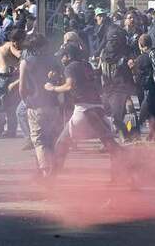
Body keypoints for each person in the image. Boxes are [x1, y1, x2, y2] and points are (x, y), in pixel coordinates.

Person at [47, 44, 128, 181]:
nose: (61, 59)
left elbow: (69, 85)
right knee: (110, 143)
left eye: (63, 56)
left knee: (61, 144)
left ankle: (50, 179)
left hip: (83, 110)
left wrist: (52, 88)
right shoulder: (86, 65)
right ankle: (122, 173)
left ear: (69, 56)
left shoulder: (70, 67)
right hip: (97, 107)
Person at [19, 34, 60, 179]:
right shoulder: (53, 60)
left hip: (35, 104)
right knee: (51, 139)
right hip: (54, 104)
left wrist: (26, 100)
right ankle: (51, 168)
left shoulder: (26, 62)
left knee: (39, 140)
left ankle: (45, 172)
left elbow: (22, 87)